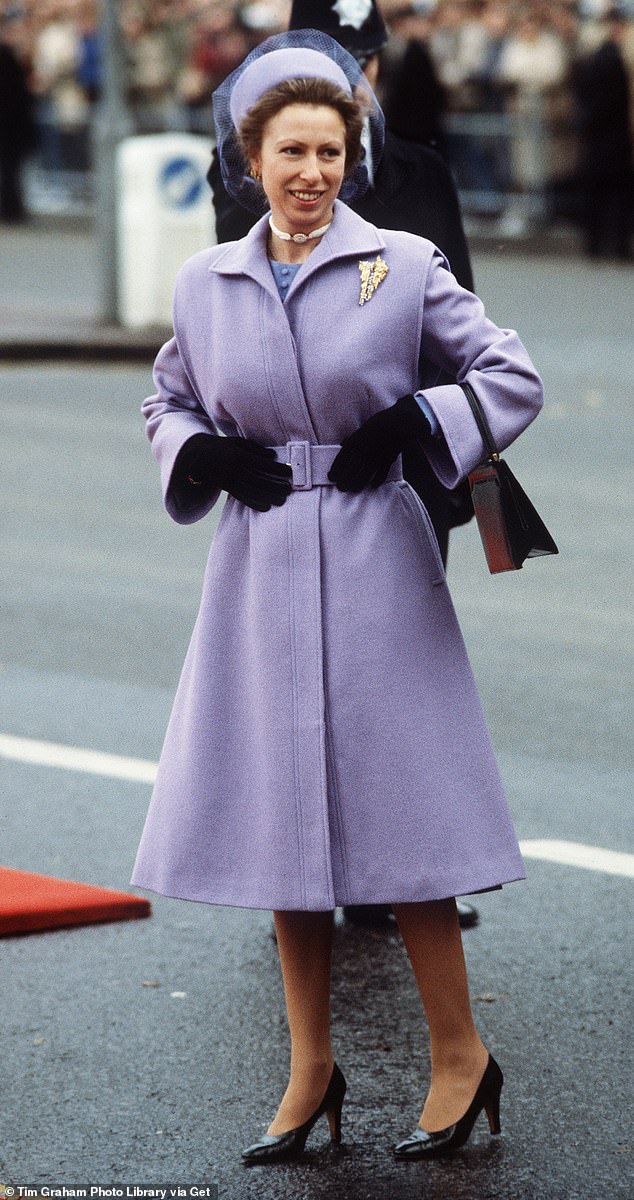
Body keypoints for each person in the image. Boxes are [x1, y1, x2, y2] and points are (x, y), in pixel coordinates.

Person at [131, 31, 543, 1165]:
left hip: (376, 560)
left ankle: (459, 1054)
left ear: (348, 158)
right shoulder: (204, 282)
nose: (309, 169)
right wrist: (203, 456)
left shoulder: (401, 263)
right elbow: (167, 401)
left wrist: (419, 422)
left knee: (400, 815)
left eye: (328, 148)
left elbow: (511, 374)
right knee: (282, 824)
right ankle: (311, 1067)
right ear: (250, 160)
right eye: (288, 150)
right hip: (259, 562)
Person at [207, 0, 478, 930]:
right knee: (288, 708)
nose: (360, 65)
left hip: (401, 464)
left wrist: (426, 426)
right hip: (284, 488)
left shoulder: (417, 176)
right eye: (345, 49)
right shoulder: (248, 171)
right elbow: (218, 336)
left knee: (387, 709)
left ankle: (400, 875)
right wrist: (210, 449)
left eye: (365, 52)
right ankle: (318, 872)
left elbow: (466, 319)